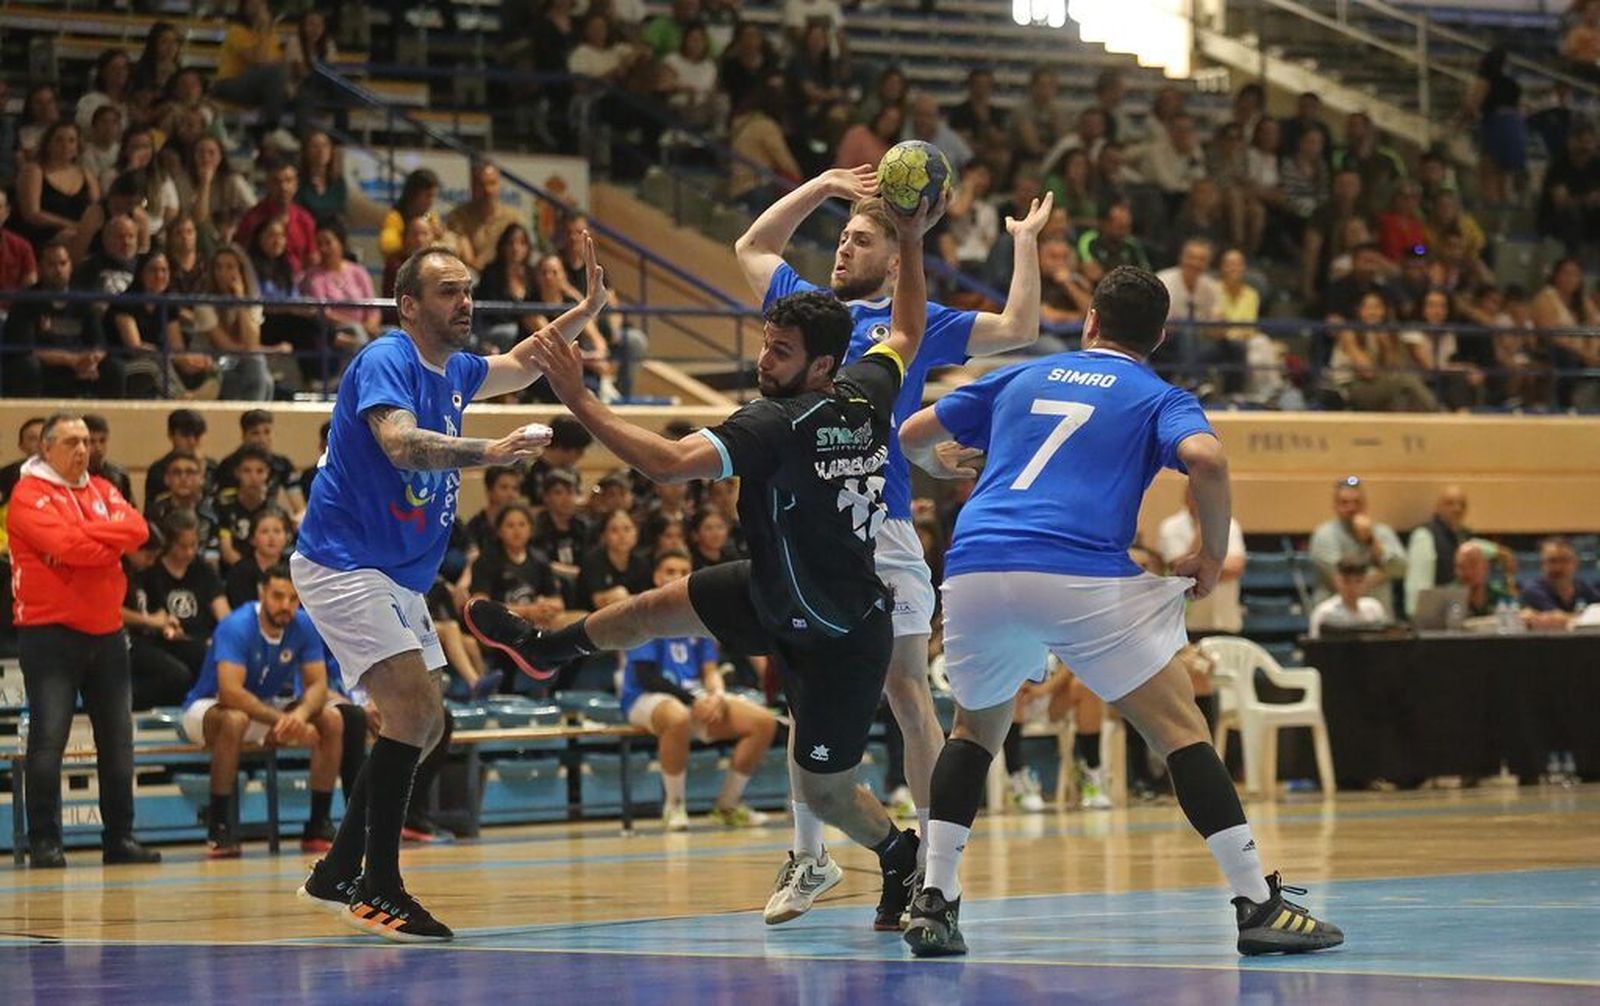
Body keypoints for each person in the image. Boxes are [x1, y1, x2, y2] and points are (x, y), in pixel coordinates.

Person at [463, 199, 941, 933]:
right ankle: (541, 649)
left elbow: (667, 464)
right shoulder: (865, 391)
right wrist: (909, 242)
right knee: (654, 608)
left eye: (779, 352)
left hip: (841, 634)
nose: (762, 359)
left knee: (827, 793)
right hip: (776, 590)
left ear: (819, 365)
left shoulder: (772, 425)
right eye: (765, 342)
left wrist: (578, 398)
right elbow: (907, 330)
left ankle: (897, 853)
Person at [897, 266, 1343, 958]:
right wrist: (1209, 549)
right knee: (1179, 727)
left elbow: (913, 432)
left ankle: (933, 900)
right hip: (1076, 572)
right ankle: (1257, 901)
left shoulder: (1023, 376)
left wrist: (949, 461)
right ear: (1160, 336)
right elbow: (1209, 463)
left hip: (976, 562)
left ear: (1090, 323)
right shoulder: (1158, 394)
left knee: (973, 731)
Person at [733, 167, 1051, 926]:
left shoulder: (915, 319)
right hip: (808, 528)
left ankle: (935, 868)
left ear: (894, 251)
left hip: (884, 524)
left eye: (861, 238)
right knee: (804, 692)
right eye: (842, 237)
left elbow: (1019, 329)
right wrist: (822, 187)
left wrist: (1024, 246)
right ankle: (811, 858)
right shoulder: (807, 314)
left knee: (909, 691)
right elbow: (751, 244)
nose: (844, 248)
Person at [289, 238, 609, 942]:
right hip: (345, 563)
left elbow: (526, 361)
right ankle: (378, 886)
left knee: (430, 724)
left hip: (396, 574)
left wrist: (585, 309)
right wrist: (485, 452)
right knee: (412, 712)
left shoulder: (459, 368)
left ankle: (338, 868)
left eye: (468, 289)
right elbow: (400, 443)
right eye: (447, 291)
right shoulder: (387, 360)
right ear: (408, 304)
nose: (464, 301)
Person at [6, 413, 160, 868]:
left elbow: (138, 530)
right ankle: (45, 842)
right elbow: (76, 548)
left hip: (107, 632)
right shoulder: (28, 494)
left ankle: (120, 839)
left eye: (87, 442)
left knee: (117, 741)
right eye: (72, 441)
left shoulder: (101, 488)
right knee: (49, 740)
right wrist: (104, 545)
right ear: (46, 448)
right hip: (48, 632)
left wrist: (89, 539)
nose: (83, 450)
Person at [181, 561, 345, 857]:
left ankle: (318, 824)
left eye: (293, 599)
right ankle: (219, 826)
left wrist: (299, 716)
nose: (286, 605)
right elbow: (230, 693)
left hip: (263, 709)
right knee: (234, 719)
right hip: (208, 706)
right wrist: (284, 719)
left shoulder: (304, 624)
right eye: (278, 596)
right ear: (262, 593)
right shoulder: (237, 625)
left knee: (332, 720)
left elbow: (318, 685)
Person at [623, 550, 778, 830]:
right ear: (657, 576)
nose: (676, 576)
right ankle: (674, 806)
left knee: (763, 722)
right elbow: (646, 677)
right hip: (644, 698)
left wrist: (716, 697)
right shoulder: (644, 609)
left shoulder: (698, 616)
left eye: (684, 570)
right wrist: (696, 699)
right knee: (677, 717)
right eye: (670, 571)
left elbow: (709, 670)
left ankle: (728, 806)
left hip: (692, 698)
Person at [1308, 476, 1408, 617]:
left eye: (1357, 502)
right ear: (1335, 506)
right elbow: (1344, 582)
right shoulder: (1324, 535)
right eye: (1345, 503)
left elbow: (1401, 568)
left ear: (1365, 504)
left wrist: (1370, 540)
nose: (1352, 508)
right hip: (1336, 620)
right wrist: (1385, 571)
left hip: (1379, 618)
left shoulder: (1382, 532)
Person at [1157, 484, 1246, 635]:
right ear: (1186, 498)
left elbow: (1236, 568)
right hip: (1187, 626)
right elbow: (1184, 571)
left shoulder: (1230, 525)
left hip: (1226, 621)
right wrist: (1203, 526)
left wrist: (1204, 564)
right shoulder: (1170, 527)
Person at [1403, 485, 1472, 616]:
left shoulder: (1466, 536)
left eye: (1462, 504)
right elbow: (1417, 585)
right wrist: (1417, 614)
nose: (1457, 509)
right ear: (1437, 507)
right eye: (1450, 504)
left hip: (1458, 614)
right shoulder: (1425, 535)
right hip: (1432, 617)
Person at [444, 162, 525, 272]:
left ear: (499, 185)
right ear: (472, 186)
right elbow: (468, 258)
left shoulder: (513, 218)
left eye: (492, 183)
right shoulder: (458, 217)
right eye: (481, 184)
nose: (487, 190)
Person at [1521, 536, 1600, 630]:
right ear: (1542, 565)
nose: (1558, 567)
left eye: (1564, 561)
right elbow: (1557, 619)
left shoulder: (1583, 588)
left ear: (1575, 563)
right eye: (1552, 561)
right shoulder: (1533, 590)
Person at [1308, 558, 1389, 637]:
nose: (1352, 587)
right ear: (1337, 580)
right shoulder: (1325, 613)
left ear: (1366, 582)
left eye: (1358, 581)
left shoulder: (1374, 608)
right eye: (1346, 581)